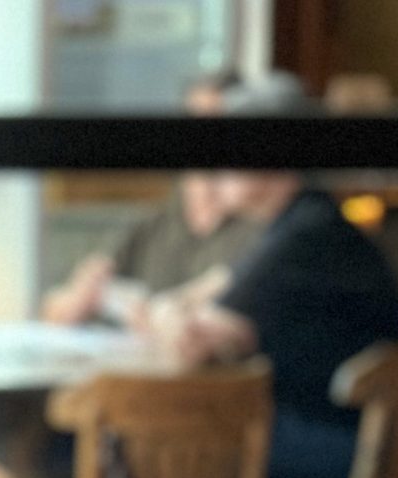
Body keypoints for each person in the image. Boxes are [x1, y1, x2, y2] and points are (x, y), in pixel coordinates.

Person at [144, 76, 398, 478]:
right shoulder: (300, 224)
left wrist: (165, 311)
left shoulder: (306, 235)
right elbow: (202, 299)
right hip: (322, 436)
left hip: (331, 449)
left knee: (165, 441)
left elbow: (190, 342)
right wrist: (174, 308)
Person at [42, 69, 257, 328]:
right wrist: (78, 299)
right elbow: (58, 308)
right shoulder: (153, 225)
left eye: (218, 123)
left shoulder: (263, 228)